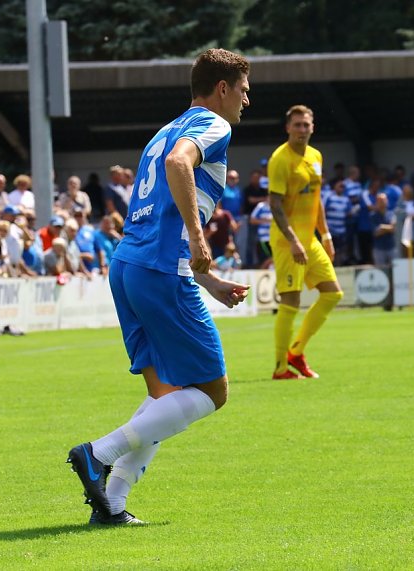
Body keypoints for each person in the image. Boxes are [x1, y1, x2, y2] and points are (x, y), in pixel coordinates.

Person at [66, 48, 251, 527]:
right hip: (159, 269)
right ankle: (97, 454)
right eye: (244, 91)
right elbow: (178, 165)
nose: (246, 102)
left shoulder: (165, 129)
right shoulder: (213, 125)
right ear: (223, 88)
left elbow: (159, 197)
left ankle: (113, 502)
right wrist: (197, 237)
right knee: (213, 391)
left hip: (129, 267)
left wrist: (205, 277)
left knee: (165, 396)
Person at [267, 104, 342, 379]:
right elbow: (274, 204)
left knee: (333, 293)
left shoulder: (315, 156)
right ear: (288, 128)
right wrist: (294, 241)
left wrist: (326, 235)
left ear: (312, 127)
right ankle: (279, 368)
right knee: (290, 302)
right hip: (288, 242)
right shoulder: (280, 159)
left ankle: (296, 353)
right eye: (296, 125)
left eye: (306, 125)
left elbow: (316, 198)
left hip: (310, 239)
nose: (302, 129)